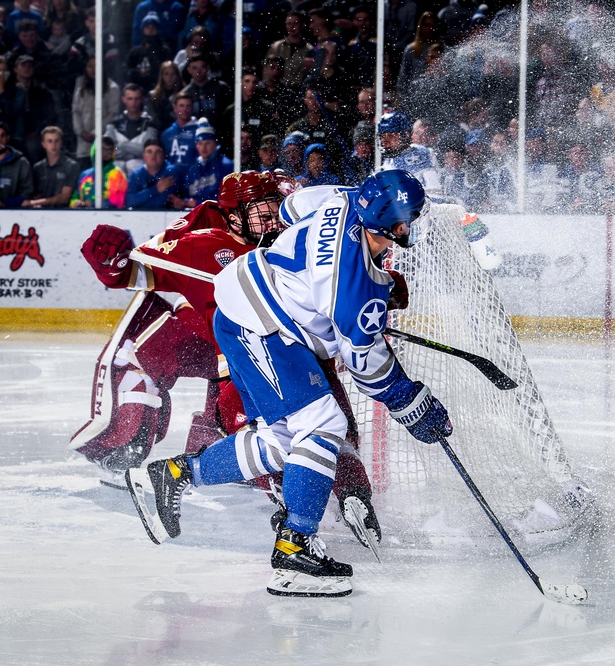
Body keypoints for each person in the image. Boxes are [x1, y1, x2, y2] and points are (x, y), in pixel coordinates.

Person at [125, 170, 452, 598]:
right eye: (408, 218)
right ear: (393, 225)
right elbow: (366, 367)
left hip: (250, 309)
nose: (411, 226)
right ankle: (293, 551)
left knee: (281, 439)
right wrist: (412, 403)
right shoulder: (357, 289)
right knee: (323, 427)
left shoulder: (340, 197)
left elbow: (289, 208)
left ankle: (173, 475)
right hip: (266, 326)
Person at [74, 171, 287, 483]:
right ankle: (123, 447)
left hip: (271, 352)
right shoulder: (206, 232)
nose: (272, 222)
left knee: (261, 417)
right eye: (262, 212)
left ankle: (238, 456)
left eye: (275, 209)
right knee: (138, 354)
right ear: (235, 215)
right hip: (211, 335)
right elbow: (142, 269)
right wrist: (112, 265)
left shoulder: (293, 233)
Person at [378, 110, 443, 200]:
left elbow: (434, 196)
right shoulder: (391, 159)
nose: (385, 141)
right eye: (383, 136)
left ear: (406, 135)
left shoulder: (420, 155)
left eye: (391, 135)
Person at [105, 83, 160, 176]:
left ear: (142, 99)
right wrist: (134, 150)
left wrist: (122, 145)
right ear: (123, 100)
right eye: (130, 99)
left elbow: (147, 152)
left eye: (137, 99)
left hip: (140, 171)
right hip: (117, 174)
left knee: (133, 164)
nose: (133, 103)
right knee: (116, 165)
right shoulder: (114, 123)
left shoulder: (150, 124)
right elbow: (108, 151)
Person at [179, 121, 233, 207]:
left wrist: (197, 203)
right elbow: (187, 193)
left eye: (207, 143)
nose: (203, 147)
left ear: (215, 144)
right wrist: (185, 202)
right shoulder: (193, 167)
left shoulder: (226, 165)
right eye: (200, 143)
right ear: (196, 145)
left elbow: (227, 198)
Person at [27, 126, 80, 208]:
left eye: (56, 141)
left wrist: (35, 202)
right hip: (40, 213)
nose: (53, 144)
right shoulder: (37, 168)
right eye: (49, 141)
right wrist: (36, 201)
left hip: (65, 213)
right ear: (43, 144)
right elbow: (35, 194)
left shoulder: (71, 166)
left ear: (61, 143)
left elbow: (64, 198)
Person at [70, 136, 128, 209]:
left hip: (108, 216)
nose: (106, 153)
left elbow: (118, 201)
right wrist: (75, 202)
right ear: (95, 150)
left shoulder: (117, 173)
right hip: (83, 216)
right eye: (102, 149)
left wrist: (93, 204)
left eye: (109, 150)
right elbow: (75, 196)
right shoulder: (85, 174)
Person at [125, 137, 181, 209]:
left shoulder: (172, 172)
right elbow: (129, 201)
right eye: (149, 152)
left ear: (164, 156)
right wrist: (156, 189)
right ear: (144, 156)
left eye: (158, 152)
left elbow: (162, 203)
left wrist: (140, 200)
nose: (153, 156)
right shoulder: (135, 175)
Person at [160, 91, 198, 171]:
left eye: (188, 106)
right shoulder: (166, 134)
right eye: (181, 106)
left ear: (193, 108)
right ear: (175, 108)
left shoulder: (199, 131)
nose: (185, 109)